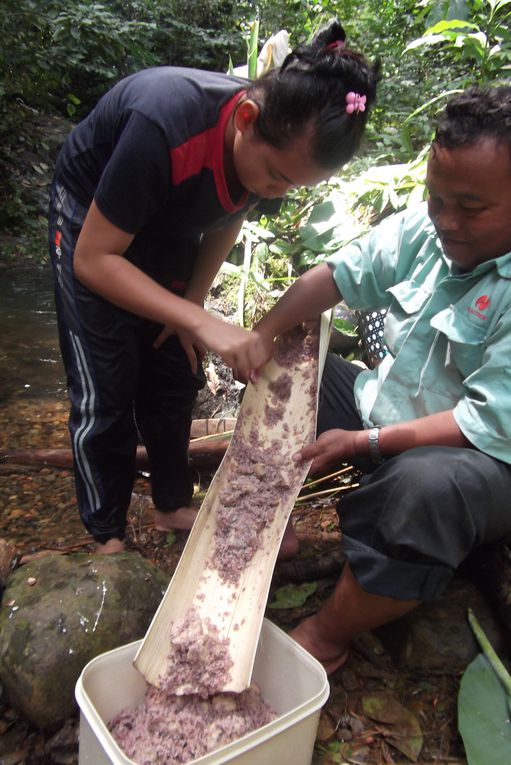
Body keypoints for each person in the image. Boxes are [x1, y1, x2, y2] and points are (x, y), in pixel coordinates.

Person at [48, 20, 379, 553]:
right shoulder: (165, 122)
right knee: (105, 385)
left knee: (176, 366)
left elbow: (233, 207)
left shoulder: (265, 154)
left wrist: (192, 304)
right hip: (95, 217)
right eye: (277, 176)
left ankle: (171, 506)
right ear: (246, 119)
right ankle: (106, 536)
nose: (277, 191)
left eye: (292, 185)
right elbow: (94, 259)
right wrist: (203, 321)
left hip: (171, 218)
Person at [254, 84, 511, 672]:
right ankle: (269, 519)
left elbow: (482, 423)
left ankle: (329, 631)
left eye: (470, 209)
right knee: (288, 368)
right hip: (385, 420)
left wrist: (362, 443)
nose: (446, 221)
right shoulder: (426, 229)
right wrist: (262, 334)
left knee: (424, 490)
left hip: (478, 463)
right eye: (435, 198)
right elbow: (337, 275)